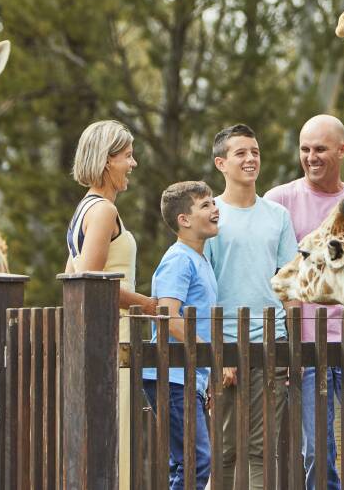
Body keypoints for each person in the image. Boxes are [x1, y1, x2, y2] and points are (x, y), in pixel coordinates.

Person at [264, 114, 344, 490]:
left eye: (320, 149)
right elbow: (273, 277)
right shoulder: (280, 203)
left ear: (342, 150)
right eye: (304, 149)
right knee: (317, 454)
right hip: (306, 351)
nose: (311, 157)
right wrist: (287, 344)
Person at [65, 120, 157, 490]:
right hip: (114, 335)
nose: (133, 164)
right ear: (106, 161)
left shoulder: (82, 210)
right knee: (118, 441)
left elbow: (70, 273)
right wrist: (147, 304)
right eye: (127, 156)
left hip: (106, 337)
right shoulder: (102, 211)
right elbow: (90, 283)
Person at [205, 124, 297, 490]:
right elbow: (205, 288)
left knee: (261, 450)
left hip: (270, 344)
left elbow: (288, 285)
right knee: (225, 449)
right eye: (241, 153)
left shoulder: (278, 217)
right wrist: (216, 351)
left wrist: (289, 346)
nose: (250, 159)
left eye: (255, 152)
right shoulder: (210, 216)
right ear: (221, 163)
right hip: (224, 346)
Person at [142, 181, 219, 490]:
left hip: (189, 377)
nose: (215, 209)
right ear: (183, 220)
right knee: (196, 461)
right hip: (172, 377)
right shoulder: (178, 260)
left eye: (214, 203)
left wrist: (207, 371)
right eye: (205, 205)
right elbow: (168, 315)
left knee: (188, 461)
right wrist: (208, 353)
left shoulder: (201, 260)